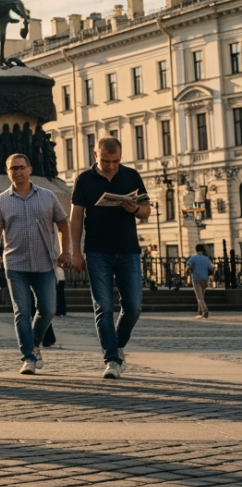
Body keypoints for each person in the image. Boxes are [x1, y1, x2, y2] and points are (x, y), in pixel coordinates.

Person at [69, 137, 149, 379]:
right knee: (103, 307)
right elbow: (76, 218)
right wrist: (75, 251)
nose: (111, 166)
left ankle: (117, 344)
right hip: (97, 251)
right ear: (95, 155)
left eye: (116, 161)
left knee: (133, 306)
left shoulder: (131, 176)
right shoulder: (84, 179)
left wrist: (135, 208)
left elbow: (146, 211)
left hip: (128, 250)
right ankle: (112, 359)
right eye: (105, 161)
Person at [0, 153, 71, 375]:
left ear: (30, 169)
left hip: (44, 263)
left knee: (48, 309)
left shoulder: (47, 196)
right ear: (7, 172)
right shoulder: (1, 201)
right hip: (16, 264)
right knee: (22, 311)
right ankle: (29, 357)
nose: (17, 172)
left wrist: (66, 251)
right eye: (12, 168)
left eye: (21, 167)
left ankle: (32, 343)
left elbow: (64, 223)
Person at [186, 244, 212, 319]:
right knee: (202, 296)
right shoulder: (206, 259)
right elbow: (211, 268)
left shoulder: (193, 258)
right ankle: (200, 313)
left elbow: (187, 267)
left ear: (196, 250)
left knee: (199, 297)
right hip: (205, 279)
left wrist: (187, 273)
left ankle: (205, 310)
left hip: (196, 279)